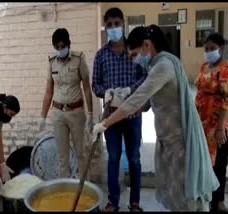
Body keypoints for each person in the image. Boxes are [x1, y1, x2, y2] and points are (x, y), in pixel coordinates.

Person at [92, 25, 219, 211]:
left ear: (146, 45)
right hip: (169, 142)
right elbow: (146, 104)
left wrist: (104, 124)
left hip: (179, 143)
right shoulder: (158, 65)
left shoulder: (164, 66)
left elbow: (135, 101)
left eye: (134, 55)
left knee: (186, 197)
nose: (134, 61)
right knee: (176, 193)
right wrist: (122, 99)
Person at [91, 8, 148, 212]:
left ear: (123, 23)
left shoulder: (135, 50)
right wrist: (105, 92)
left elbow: (146, 77)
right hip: (111, 117)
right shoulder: (101, 55)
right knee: (113, 158)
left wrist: (129, 90)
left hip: (133, 114)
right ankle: (113, 202)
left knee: (134, 158)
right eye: (109, 25)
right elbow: (95, 84)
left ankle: (135, 202)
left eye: (117, 23)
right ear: (105, 28)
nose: (113, 28)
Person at [39, 28, 93, 178]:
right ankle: (65, 191)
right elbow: (48, 91)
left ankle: (84, 189)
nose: (60, 50)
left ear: (69, 44)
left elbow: (87, 88)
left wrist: (90, 114)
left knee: (80, 153)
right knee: (63, 156)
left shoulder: (79, 59)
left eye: (63, 47)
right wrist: (42, 117)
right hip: (57, 113)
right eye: (57, 47)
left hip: (76, 112)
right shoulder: (51, 62)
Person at [195, 33, 228, 212]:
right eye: (206, 48)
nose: (208, 52)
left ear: (221, 48)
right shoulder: (204, 66)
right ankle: (206, 197)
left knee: (219, 163)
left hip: (217, 124)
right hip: (202, 122)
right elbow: (199, 92)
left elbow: (226, 101)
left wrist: (221, 128)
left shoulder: (225, 69)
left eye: (212, 48)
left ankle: (218, 201)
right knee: (204, 162)